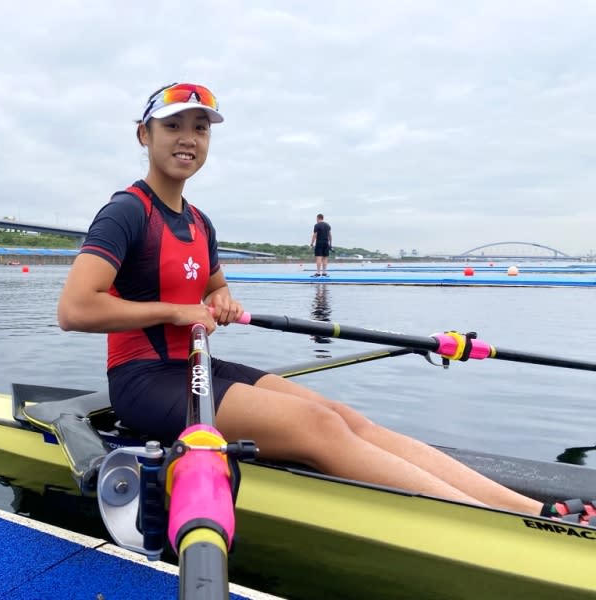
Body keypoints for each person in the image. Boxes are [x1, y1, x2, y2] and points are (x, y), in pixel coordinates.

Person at [56, 82, 578, 523]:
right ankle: (495, 523)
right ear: (144, 135)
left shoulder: (199, 222)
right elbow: (76, 310)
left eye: (201, 127)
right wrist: (175, 312)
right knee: (320, 429)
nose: (188, 138)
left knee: (343, 414)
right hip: (144, 381)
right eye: (173, 126)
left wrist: (222, 303)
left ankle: (533, 511)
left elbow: (213, 288)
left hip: (197, 367)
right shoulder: (125, 212)